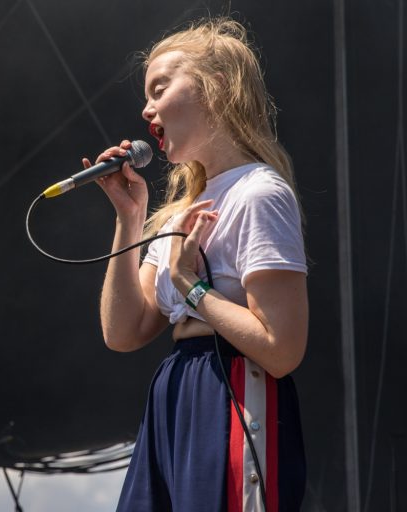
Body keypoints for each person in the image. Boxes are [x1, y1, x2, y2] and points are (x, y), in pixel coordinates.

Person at [88, 18, 307, 511]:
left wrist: (189, 286)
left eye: (159, 89)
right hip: (176, 391)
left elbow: (282, 349)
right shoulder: (177, 215)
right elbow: (123, 332)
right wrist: (130, 218)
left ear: (215, 88)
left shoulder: (259, 193)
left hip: (234, 387)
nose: (146, 109)